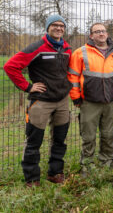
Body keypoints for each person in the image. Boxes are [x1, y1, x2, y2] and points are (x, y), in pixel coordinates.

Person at [3, 14, 71, 187]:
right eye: (54, 25)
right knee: (34, 142)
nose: (58, 28)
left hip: (62, 101)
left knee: (60, 140)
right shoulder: (37, 47)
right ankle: (32, 180)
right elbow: (10, 66)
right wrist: (27, 86)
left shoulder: (67, 49)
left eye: (61, 25)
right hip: (41, 102)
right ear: (48, 28)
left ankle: (55, 173)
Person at [68, 23, 113, 175]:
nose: (101, 34)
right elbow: (73, 77)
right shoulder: (80, 53)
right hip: (89, 102)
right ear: (91, 35)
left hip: (110, 102)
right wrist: (75, 97)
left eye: (103, 31)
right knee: (88, 136)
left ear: (107, 34)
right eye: (97, 32)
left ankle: (106, 164)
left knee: (108, 135)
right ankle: (87, 166)